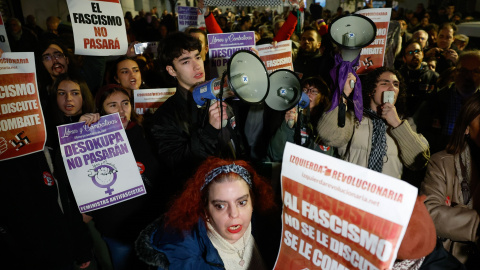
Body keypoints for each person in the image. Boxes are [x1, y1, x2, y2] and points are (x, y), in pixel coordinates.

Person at [149, 31, 246, 202]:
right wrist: (209, 131)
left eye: (198, 57)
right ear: (171, 70)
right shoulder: (164, 117)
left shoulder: (219, 96)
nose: (196, 66)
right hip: (198, 200)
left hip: (235, 189)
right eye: (186, 61)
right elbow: (178, 164)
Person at [136, 157, 276, 269]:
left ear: (253, 202)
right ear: (205, 209)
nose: (234, 214)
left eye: (242, 202)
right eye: (220, 206)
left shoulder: (273, 230)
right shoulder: (187, 258)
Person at [80, 84, 161, 270]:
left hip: (151, 227)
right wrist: (83, 131)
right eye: (113, 105)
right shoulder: (91, 139)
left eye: (125, 103)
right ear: (101, 110)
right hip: (116, 231)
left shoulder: (145, 132)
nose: (122, 110)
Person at [317, 67, 430, 180]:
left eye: (396, 84)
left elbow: (418, 162)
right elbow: (329, 136)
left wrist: (397, 124)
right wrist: (343, 95)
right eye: (385, 83)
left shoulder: (406, 124)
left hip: (386, 194)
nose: (392, 88)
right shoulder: (353, 118)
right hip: (351, 190)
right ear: (371, 91)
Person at [421, 92, 480, 268]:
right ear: (467, 128)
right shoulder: (443, 163)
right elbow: (429, 213)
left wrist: (456, 214)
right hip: (450, 260)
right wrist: (476, 225)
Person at [415, 50, 480, 154]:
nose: (468, 76)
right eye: (463, 70)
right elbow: (420, 133)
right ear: (455, 72)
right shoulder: (434, 100)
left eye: (476, 71)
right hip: (440, 160)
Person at [268, 76, 334, 161]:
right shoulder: (286, 114)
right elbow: (274, 154)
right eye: (305, 90)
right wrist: (287, 127)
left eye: (313, 91)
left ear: (322, 98)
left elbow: (324, 160)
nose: (308, 94)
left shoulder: (324, 122)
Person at [399, 40, 439, 116]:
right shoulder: (398, 77)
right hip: (403, 118)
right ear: (404, 58)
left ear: (422, 54)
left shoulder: (433, 77)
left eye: (417, 51)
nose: (415, 54)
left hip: (424, 120)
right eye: (410, 53)